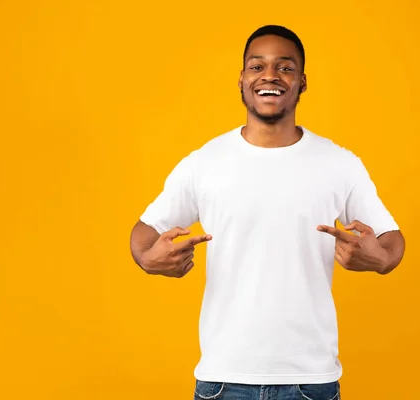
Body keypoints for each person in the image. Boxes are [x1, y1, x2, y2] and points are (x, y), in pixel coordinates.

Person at [130, 24, 405, 400]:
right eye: (257, 66)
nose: (270, 75)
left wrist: (380, 257)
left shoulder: (339, 164)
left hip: (311, 381)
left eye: (285, 67)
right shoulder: (204, 163)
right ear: (242, 79)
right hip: (223, 380)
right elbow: (143, 233)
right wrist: (148, 258)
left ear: (302, 81)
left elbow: (392, 241)